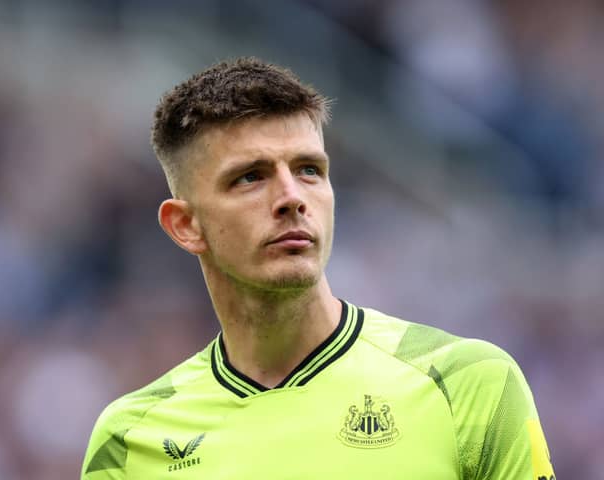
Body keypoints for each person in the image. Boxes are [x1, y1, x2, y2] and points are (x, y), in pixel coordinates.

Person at [81, 57, 555, 479]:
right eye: (251, 177)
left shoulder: (468, 384)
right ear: (185, 225)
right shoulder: (129, 441)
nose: (292, 198)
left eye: (309, 169)